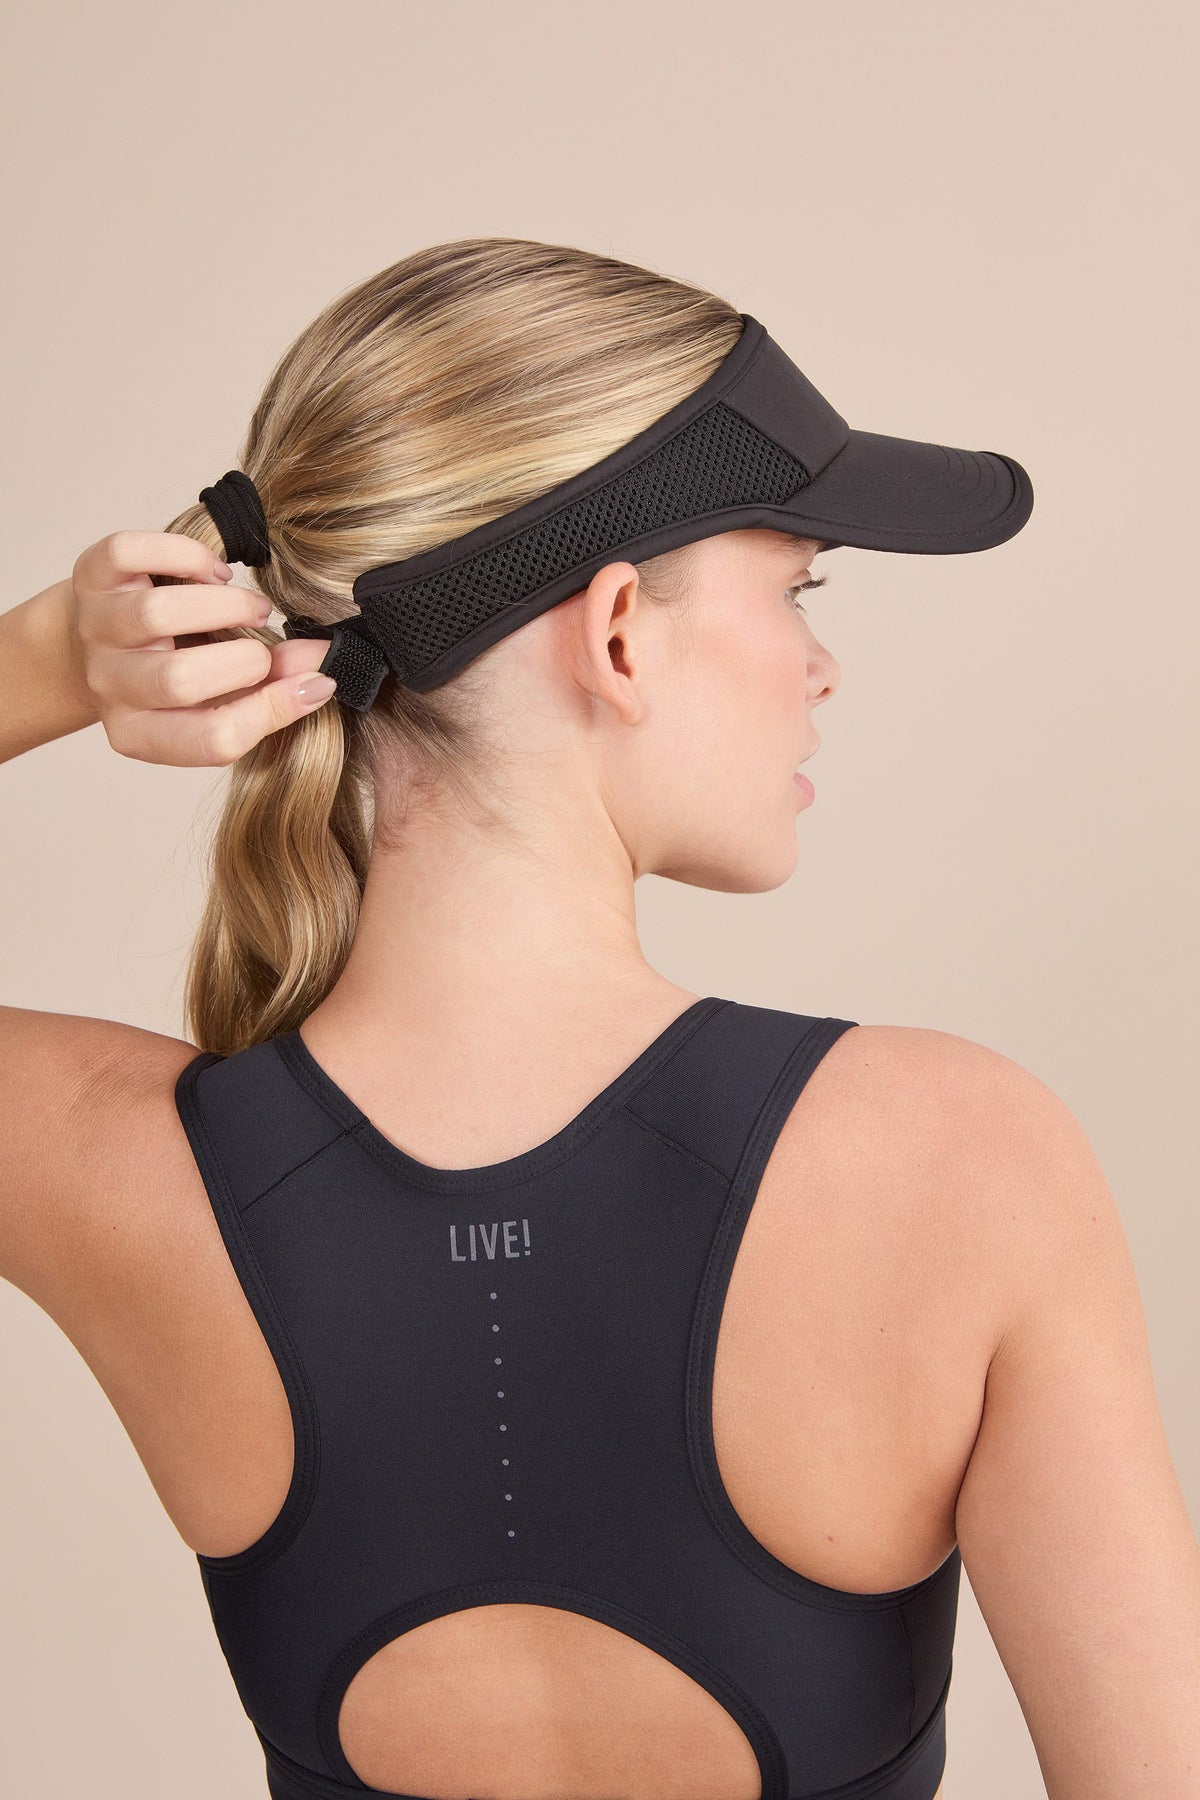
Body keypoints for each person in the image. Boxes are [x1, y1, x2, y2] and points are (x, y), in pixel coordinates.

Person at [2, 236, 1198, 1800]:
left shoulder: (116, 1171)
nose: (824, 665)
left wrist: (42, 665)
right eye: (798, 587)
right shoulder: (962, 1162)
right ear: (620, 632)